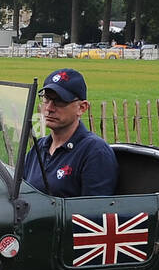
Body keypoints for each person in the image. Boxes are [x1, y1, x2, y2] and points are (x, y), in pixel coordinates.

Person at [21, 68, 118, 197]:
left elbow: (94, 211)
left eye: (60, 101)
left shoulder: (95, 152)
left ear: (82, 107)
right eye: (46, 99)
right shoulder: (38, 147)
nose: (49, 108)